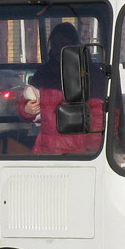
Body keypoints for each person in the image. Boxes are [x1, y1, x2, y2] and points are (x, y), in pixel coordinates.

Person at [18, 22, 105, 155]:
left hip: (79, 153)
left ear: (74, 44)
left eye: (63, 44)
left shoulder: (91, 74)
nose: (58, 48)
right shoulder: (43, 73)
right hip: (46, 151)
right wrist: (26, 109)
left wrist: (93, 149)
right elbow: (26, 101)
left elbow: (100, 114)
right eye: (55, 44)